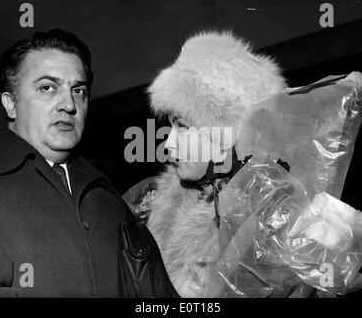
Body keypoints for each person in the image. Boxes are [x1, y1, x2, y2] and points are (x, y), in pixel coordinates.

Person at [124, 31, 362, 297]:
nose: (168, 144)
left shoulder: (282, 217)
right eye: (170, 127)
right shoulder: (148, 201)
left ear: (229, 133)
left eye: (184, 127)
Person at [0, 29, 178, 297]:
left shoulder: (108, 198)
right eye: (48, 88)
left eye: (78, 90)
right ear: (11, 104)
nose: (69, 104)